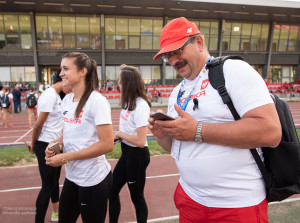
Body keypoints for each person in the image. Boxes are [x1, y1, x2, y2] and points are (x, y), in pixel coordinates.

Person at [148, 17, 282, 223]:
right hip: (189, 197)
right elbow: (173, 147)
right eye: (168, 56)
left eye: (177, 51)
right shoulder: (177, 92)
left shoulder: (233, 70)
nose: (173, 61)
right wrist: (163, 135)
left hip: (236, 204)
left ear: (199, 43)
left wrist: (198, 130)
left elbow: (271, 132)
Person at [45, 52, 114, 223]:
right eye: (61, 68)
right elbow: (67, 132)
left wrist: (66, 157)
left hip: (93, 180)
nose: (60, 73)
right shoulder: (67, 100)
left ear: (82, 71)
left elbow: (107, 145)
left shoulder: (96, 101)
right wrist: (54, 144)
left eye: (66, 68)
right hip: (72, 176)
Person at [109, 65, 151, 223]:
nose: (117, 85)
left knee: (136, 197)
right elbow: (128, 131)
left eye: (119, 82)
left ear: (128, 84)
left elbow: (140, 141)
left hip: (137, 157)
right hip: (127, 154)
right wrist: (116, 137)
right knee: (112, 191)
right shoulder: (127, 103)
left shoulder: (141, 106)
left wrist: (120, 134)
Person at [30, 70, 69, 223]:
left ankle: (55, 213)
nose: (70, 90)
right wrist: (34, 145)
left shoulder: (57, 96)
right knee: (47, 185)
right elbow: (37, 126)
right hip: (45, 144)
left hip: (55, 144)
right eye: (70, 86)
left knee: (54, 182)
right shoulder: (48, 96)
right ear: (63, 80)